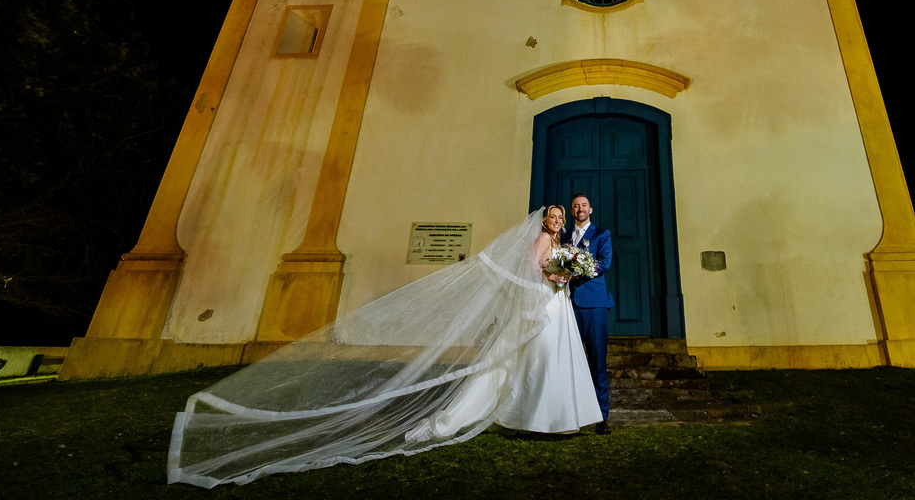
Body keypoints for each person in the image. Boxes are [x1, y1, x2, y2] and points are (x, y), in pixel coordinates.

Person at [167, 208, 601, 488]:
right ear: (544, 219)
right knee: (535, 359)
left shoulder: (563, 242)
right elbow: (534, 267)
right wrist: (554, 277)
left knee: (548, 358)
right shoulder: (542, 241)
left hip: (554, 303)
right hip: (545, 299)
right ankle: (537, 414)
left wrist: (563, 276)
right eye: (555, 215)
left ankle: (555, 414)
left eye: (563, 216)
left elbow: (557, 266)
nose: (559, 220)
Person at [565, 193, 614, 434]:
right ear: (572, 211)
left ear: (590, 210)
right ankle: (572, 415)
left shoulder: (601, 234)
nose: (580, 209)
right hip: (568, 304)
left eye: (583, 205)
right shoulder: (564, 237)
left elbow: (604, 262)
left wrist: (581, 269)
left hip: (594, 304)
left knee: (597, 361)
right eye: (576, 206)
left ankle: (601, 416)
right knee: (570, 360)